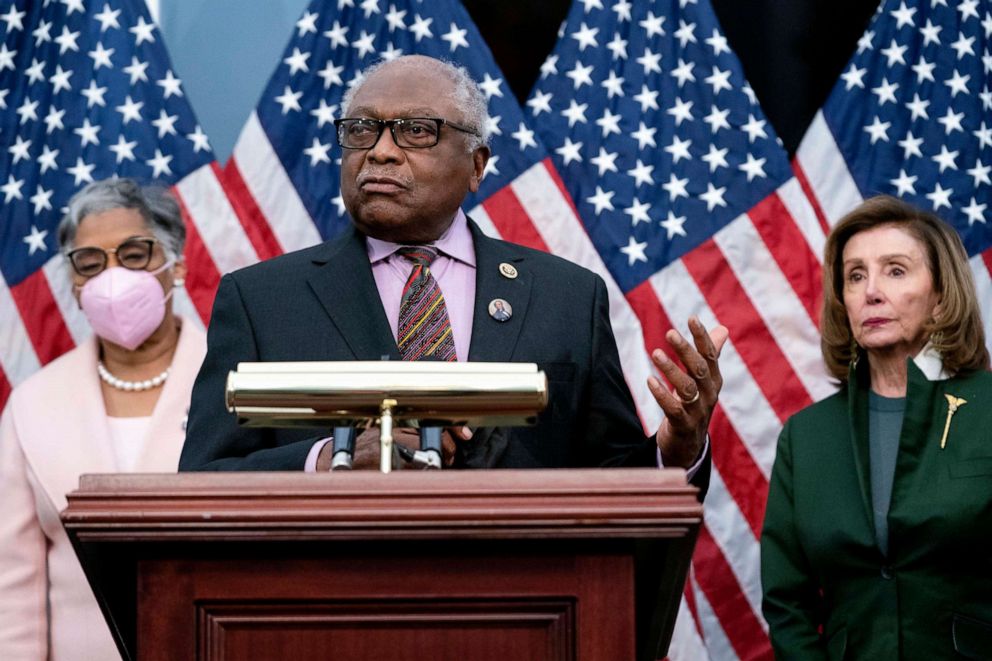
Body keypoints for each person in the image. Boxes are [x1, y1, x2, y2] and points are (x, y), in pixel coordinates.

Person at [179, 55, 727, 482]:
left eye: (416, 130)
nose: (380, 152)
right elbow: (202, 481)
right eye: (361, 130)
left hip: (522, 606)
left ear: (477, 166)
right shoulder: (261, 300)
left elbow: (615, 482)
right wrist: (332, 457)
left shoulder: (567, 297)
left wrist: (676, 451)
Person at [761, 195, 992, 659]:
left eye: (896, 270)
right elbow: (788, 603)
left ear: (941, 295)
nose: (871, 291)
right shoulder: (807, 437)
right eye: (856, 276)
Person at [0, 179, 207, 660]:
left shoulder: (230, 383)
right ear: (74, 285)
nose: (113, 278)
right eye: (91, 264)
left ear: (176, 264)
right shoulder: (34, 403)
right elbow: (12, 581)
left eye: (135, 255)